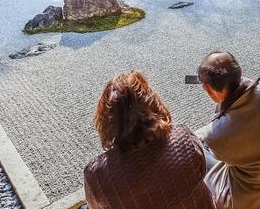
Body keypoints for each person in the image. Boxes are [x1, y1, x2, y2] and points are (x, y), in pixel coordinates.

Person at [84, 71, 216, 209]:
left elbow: (95, 206)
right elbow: (202, 170)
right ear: (153, 103)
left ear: (106, 119)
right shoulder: (184, 139)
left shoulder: (96, 175)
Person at [196, 52, 260, 209]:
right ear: (241, 71)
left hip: (249, 204)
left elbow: (213, 138)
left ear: (208, 89)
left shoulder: (217, 134)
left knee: (196, 147)